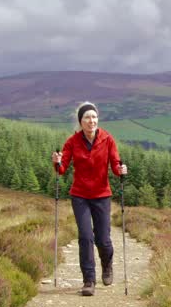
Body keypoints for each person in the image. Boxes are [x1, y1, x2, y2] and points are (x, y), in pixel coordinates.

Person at [52, 102, 128, 296]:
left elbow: (115, 165)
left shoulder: (108, 140)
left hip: (102, 195)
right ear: (80, 121)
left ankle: (107, 264)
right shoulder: (72, 142)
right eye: (87, 117)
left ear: (97, 120)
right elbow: (62, 169)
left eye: (94, 117)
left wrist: (121, 171)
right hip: (80, 196)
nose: (91, 120)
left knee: (103, 240)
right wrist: (57, 162)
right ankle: (89, 280)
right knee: (85, 237)